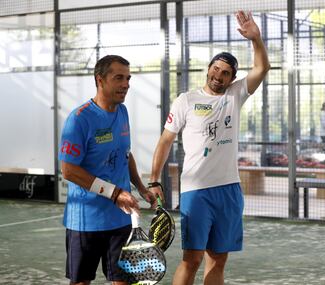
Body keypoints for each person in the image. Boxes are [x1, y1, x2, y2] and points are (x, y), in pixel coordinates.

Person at [148, 10, 270, 285]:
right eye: (216, 69)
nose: (219, 75)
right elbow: (165, 140)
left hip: (229, 190)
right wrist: (154, 180)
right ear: (208, 69)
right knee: (191, 259)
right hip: (196, 192)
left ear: (232, 78)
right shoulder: (186, 100)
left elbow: (262, 68)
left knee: (218, 259)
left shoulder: (235, 95)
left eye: (226, 73)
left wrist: (256, 39)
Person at [59, 55, 162, 285]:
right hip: (85, 221)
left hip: (120, 218)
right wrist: (115, 193)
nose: (126, 84)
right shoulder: (78, 119)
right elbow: (68, 170)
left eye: (128, 78)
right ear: (100, 80)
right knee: (81, 282)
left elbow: (125, 154)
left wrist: (142, 188)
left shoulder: (122, 112)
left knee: (123, 282)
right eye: (119, 78)